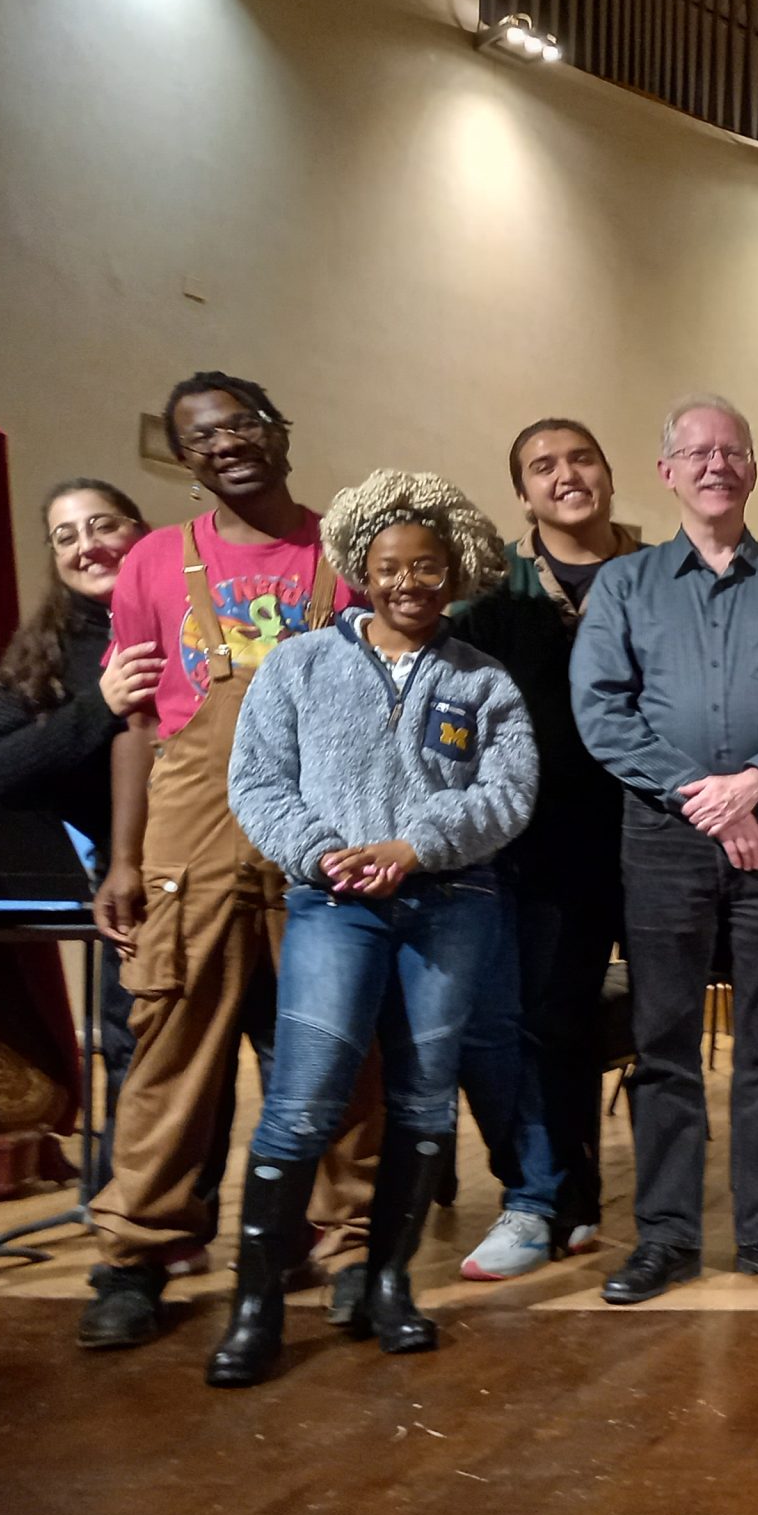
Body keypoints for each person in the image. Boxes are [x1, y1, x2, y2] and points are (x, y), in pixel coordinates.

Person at [211, 472, 536, 1386]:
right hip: (333, 905)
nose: (409, 584)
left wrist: (417, 845)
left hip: (451, 907)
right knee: (304, 1097)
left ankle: (391, 1283)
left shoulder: (482, 681)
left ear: (454, 570)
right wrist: (321, 853)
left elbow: (508, 794)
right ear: (358, 567)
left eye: (427, 568)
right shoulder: (299, 665)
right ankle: (257, 1305)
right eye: (390, 567)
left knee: (427, 1096)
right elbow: (258, 783)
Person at [80, 373, 379, 1351]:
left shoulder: (349, 553)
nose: (225, 444)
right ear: (185, 458)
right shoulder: (156, 563)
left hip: (323, 826)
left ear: (278, 429)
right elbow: (134, 725)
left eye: (241, 423)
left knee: (340, 1045)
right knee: (169, 1046)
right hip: (188, 838)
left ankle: (355, 1248)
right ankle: (136, 1257)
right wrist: (123, 862)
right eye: (200, 436)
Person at [571, 393, 758, 1305]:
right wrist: (711, 802)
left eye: (733, 450)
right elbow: (602, 710)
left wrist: (757, 782)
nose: (716, 464)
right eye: (698, 451)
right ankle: (667, 1236)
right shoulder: (626, 585)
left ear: (752, 467)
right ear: (668, 472)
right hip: (664, 845)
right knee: (665, 1041)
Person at [448, 417, 644, 1276]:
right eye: (542, 466)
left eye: (581, 458)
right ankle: (556, 1200)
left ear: (608, 472)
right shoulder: (491, 597)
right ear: (522, 494)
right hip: (542, 849)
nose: (565, 475)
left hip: (653, 834)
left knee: (665, 1028)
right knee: (547, 1025)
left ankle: (676, 1211)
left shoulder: (661, 574)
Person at [0, 479, 165, 1199]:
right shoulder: (50, 648)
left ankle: (282, 1233)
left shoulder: (191, 612)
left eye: (103, 524)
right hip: (131, 895)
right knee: (134, 1058)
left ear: (141, 531)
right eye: (66, 536)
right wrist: (101, 705)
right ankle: (128, 1227)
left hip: (227, 864)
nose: (87, 545)